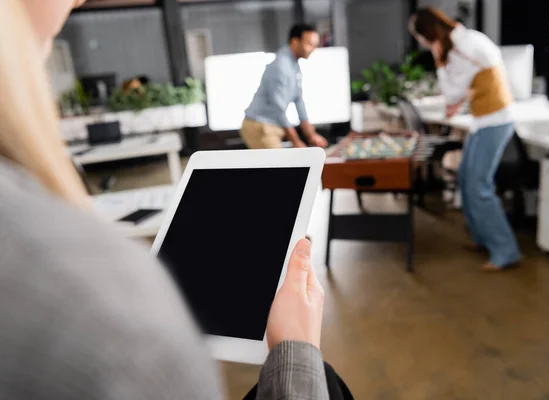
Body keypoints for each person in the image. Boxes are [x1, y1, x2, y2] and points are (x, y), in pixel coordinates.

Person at [0, 0, 335, 398]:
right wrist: (296, 352)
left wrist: (307, 135)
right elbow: (283, 112)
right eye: (311, 42)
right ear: (295, 40)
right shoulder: (111, 321)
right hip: (262, 126)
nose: (77, 1)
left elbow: (300, 106)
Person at [409, 7, 521, 271]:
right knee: (465, 178)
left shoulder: (461, 49)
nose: (421, 43)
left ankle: (506, 251)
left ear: (429, 35)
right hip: (485, 120)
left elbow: (451, 94)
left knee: (479, 185)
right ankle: (483, 238)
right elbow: (461, 91)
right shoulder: (467, 40)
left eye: (421, 37)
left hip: (494, 122)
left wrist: (439, 62)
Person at [242, 23, 328, 149]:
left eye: (315, 45)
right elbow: (278, 108)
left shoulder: (294, 64)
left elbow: (298, 100)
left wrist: (311, 134)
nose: (313, 49)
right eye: (309, 44)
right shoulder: (281, 66)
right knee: (278, 167)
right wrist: (296, 141)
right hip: (260, 126)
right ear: (294, 41)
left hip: (272, 125)